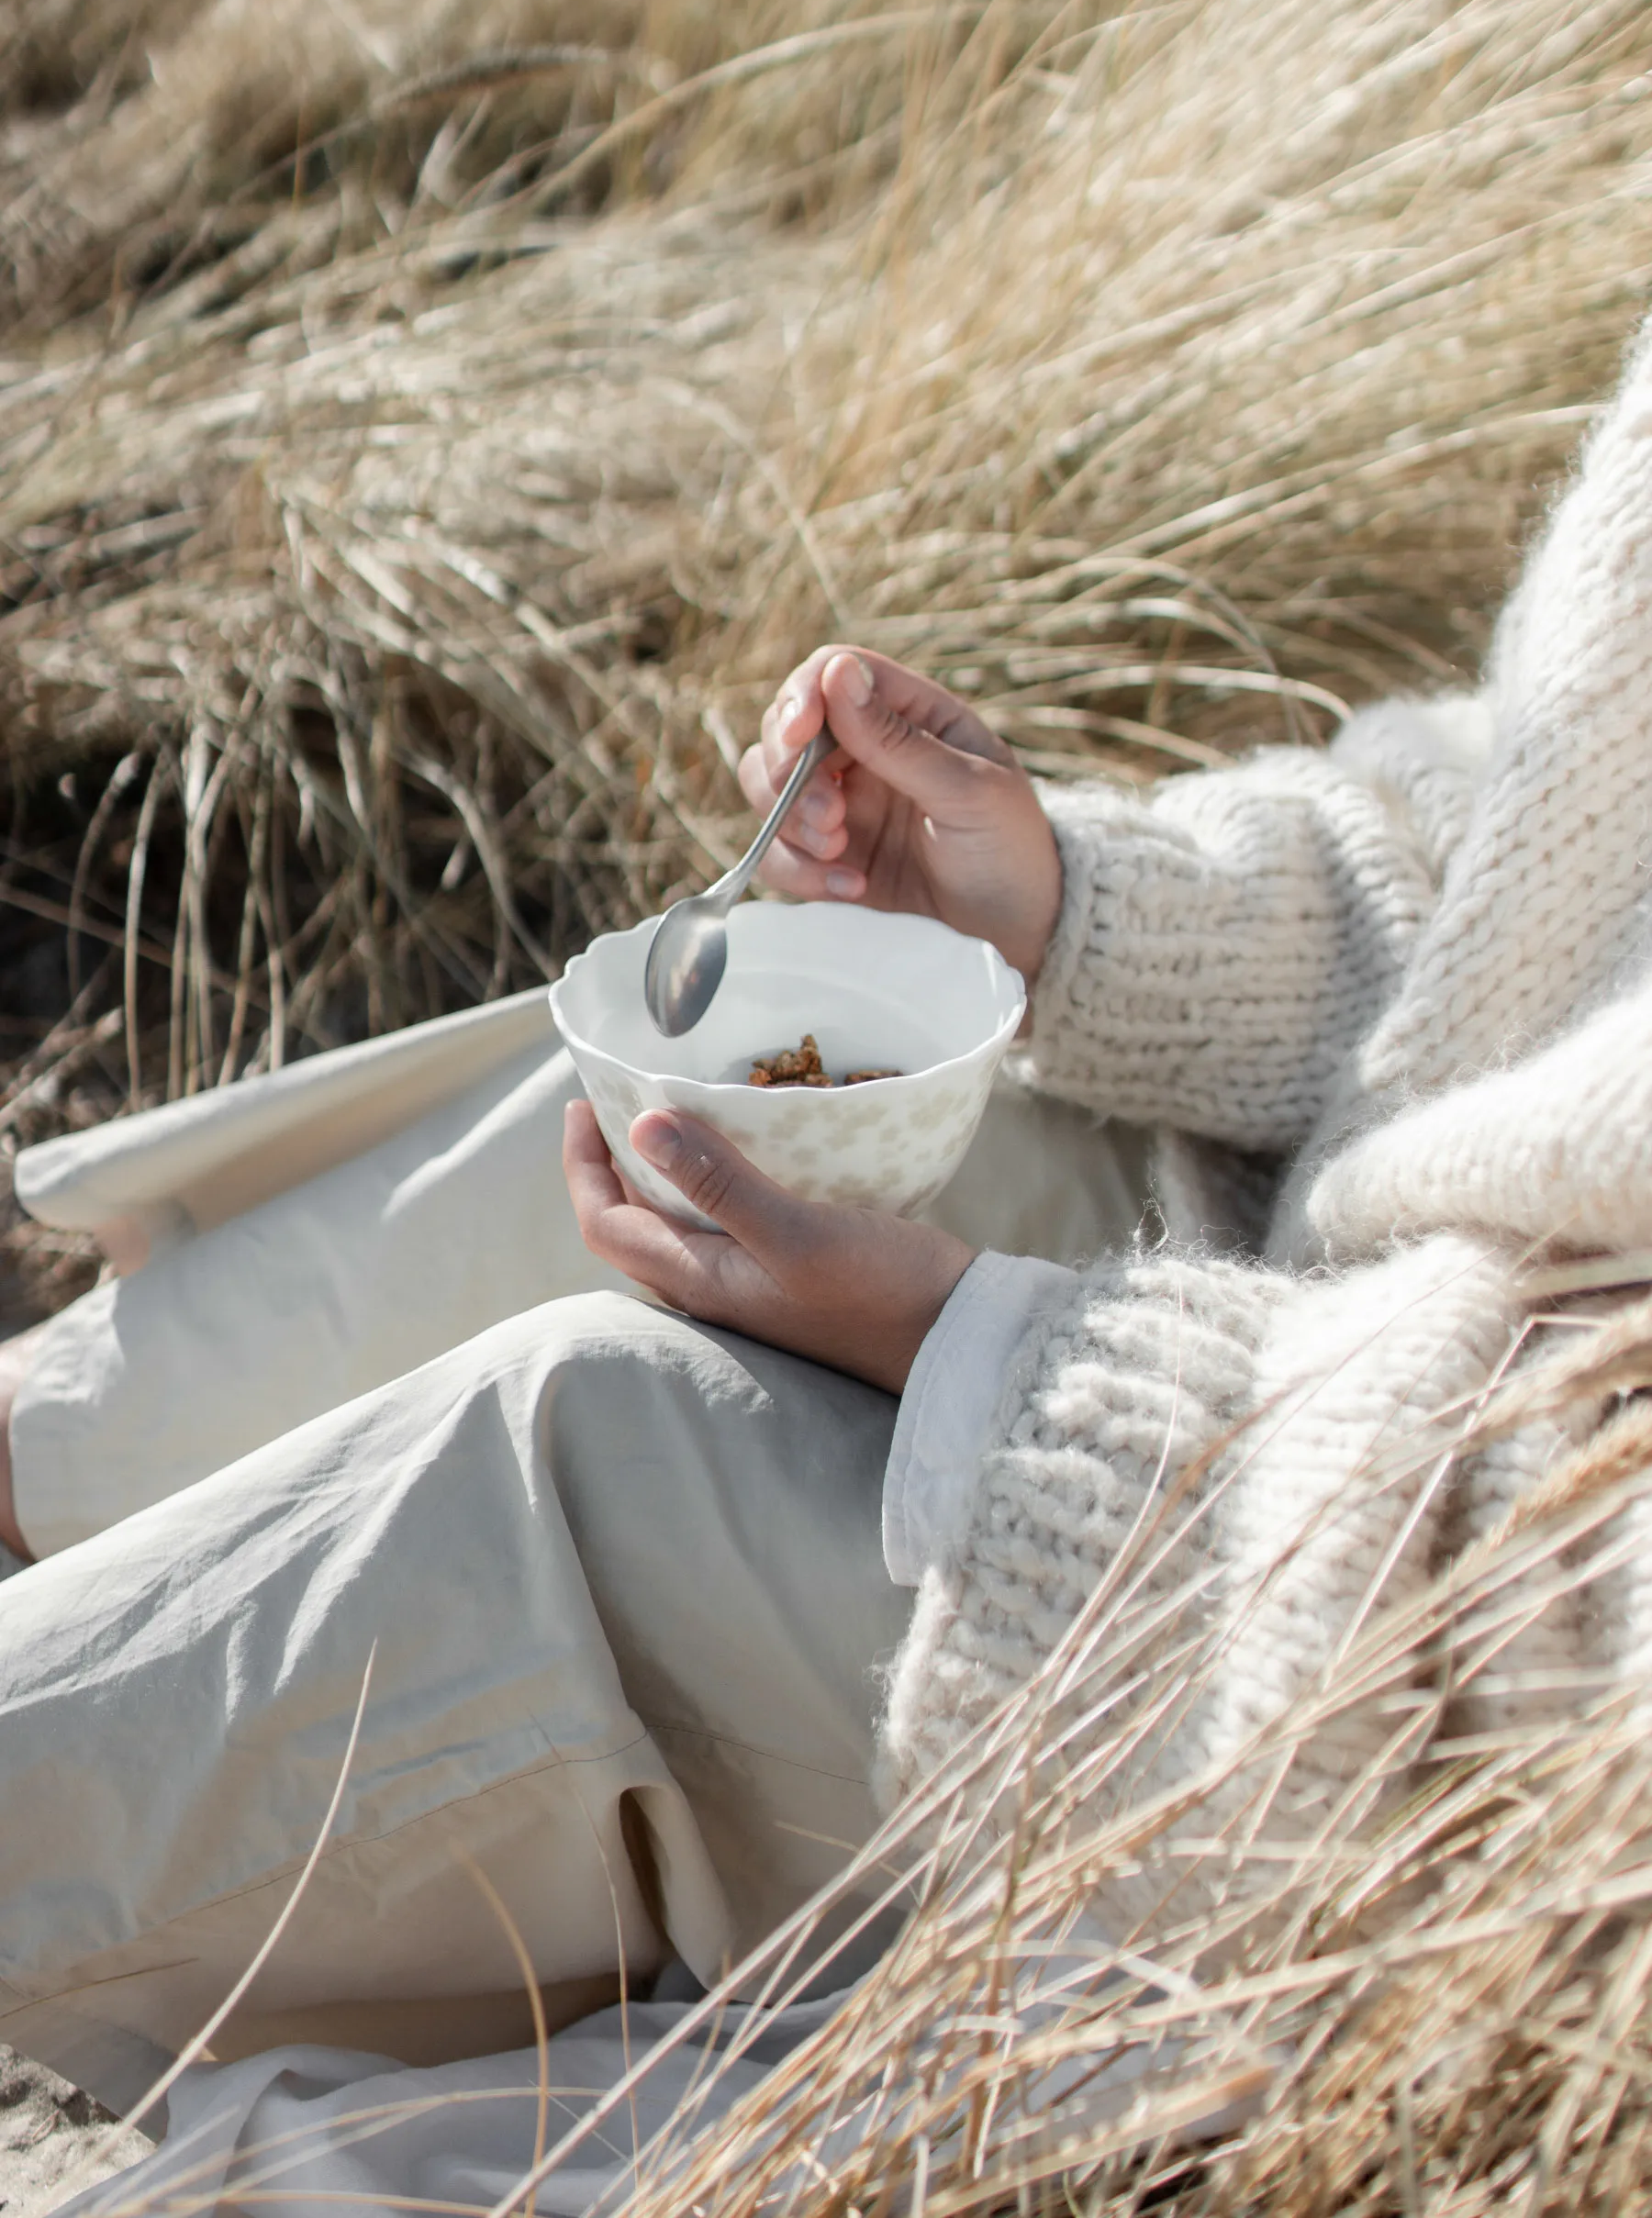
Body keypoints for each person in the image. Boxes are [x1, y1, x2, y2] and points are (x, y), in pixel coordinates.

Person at [3, 314, 1652, 2197]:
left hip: (1335, 1641)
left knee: (588, 1449)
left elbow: (1575, 1661)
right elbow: (1531, 840)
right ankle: (31, 1470)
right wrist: (1061, 913)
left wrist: (1002, 1369)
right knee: (654, 1093)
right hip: (1339, 1256)